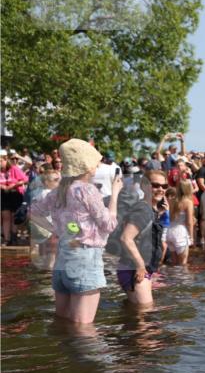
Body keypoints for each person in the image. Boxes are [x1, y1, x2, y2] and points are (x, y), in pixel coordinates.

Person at [28, 139, 122, 324]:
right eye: (95, 162)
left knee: (62, 322)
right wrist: (115, 194)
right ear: (86, 166)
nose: (97, 166)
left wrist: (55, 230)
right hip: (84, 258)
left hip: (62, 258)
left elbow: (32, 212)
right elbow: (109, 225)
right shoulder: (87, 190)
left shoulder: (58, 191)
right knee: (82, 328)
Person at [115, 170, 167, 306]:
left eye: (164, 186)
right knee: (145, 312)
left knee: (138, 311)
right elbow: (126, 238)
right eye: (155, 185)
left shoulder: (149, 209)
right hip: (134, 269)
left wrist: (158, 213)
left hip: (140, 268)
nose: (161, 189)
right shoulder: (143, 209)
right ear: (144, 186)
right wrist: (140, 265)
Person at [1, 149, 30, 244]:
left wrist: (14, 185)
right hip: (3, 194)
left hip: (15, 194)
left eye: (1, 161)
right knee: (5, 217)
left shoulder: (14, 168)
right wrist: (2, 186)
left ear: (6, 159)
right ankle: (7, 239)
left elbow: (25, 180)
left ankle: (13, 237)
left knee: (14, 216)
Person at [165, 179, 195, 265]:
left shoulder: (171, 200)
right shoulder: (188, 202)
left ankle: (172, 274)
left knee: (174, 263)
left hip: (170, 231)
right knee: (182, 264)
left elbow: (169, 217)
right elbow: (189, 222)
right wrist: (191, 237)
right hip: (181, 232)